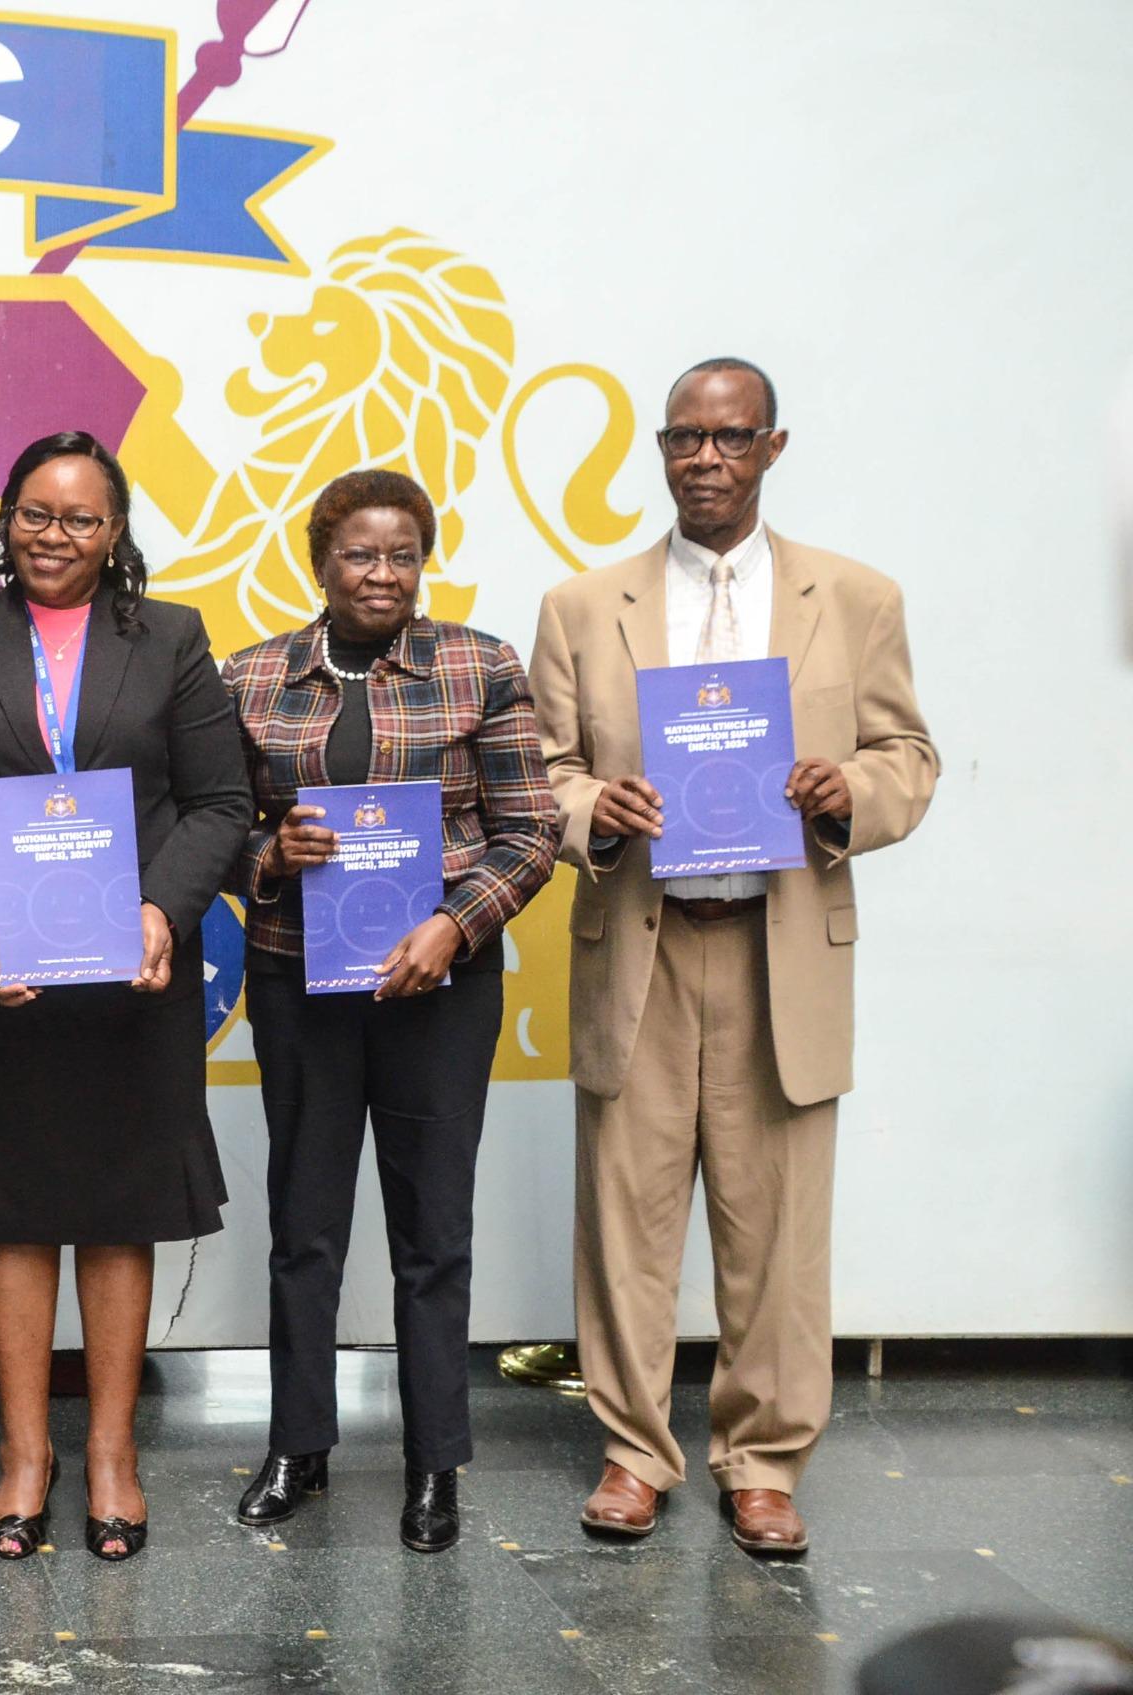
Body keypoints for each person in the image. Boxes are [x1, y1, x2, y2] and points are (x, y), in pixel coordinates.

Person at [530, 358, 936, 1555]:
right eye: (683, 438)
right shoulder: (581, 606)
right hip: (641, 947)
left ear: (772, 448)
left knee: (777, 1232)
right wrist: (594, 811)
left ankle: (763, 1464)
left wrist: (844, 789)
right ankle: (632, 1454)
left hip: (780, 944)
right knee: (627, 1222)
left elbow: (907, 756)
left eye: (730, 437)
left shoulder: (853, 598)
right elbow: (541, 772)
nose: (704, 458)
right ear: (660, 450)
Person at [0, 430, 249, 1562]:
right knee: (19, 1207)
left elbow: (219, 804)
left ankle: (113, 1457)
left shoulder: (171, 637)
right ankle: (25, 1455)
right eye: (36, 513)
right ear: (7, 519)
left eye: (80, 518)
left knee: (121, 1209)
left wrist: (162, 911)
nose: (54, 536)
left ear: (114, 532)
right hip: (3, 976)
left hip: (136, 974)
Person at [219, 467, 558, 1553]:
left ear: (423, 563)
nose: (382, 573)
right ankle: (298, 1446)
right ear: (319, 561)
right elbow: (211, 826)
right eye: (360, 554)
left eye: (402, 555)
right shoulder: (251, 676)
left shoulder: (480, 664)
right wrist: (267, 854)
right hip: (299, 985)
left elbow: (532, 829)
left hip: (440, 990)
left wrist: (455, 924)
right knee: (304, 1226)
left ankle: (433, 1464)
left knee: (433, 1232)